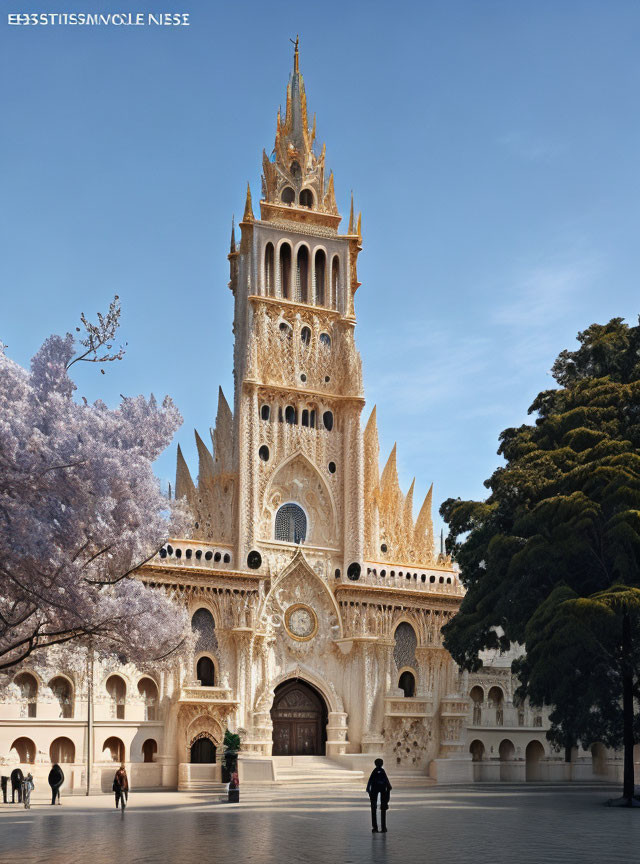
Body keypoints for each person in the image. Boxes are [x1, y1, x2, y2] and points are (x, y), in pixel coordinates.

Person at [366, 758, 392, 833]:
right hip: (382, 789)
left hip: (374, 789)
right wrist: (389, 787)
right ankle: (383, 828)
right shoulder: (382, 771)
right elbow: (386, 781)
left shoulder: (374, 771)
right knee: (382, 808)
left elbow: (370, 781)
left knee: (374, 809)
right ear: (382, 764)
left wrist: (368, 789)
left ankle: (375, 828)